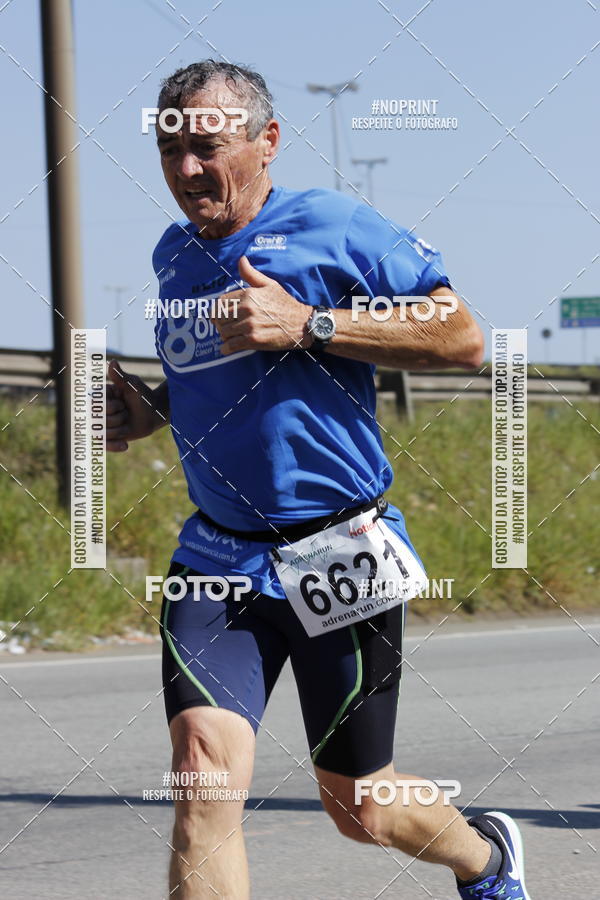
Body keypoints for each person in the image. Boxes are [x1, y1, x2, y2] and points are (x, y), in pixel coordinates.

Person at [106, 60, 531, 900]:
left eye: (206, 146)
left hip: (341, 549)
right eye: (169, 152)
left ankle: (486, 858)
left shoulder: (336, 225)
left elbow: (463, 334)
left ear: (266, 142)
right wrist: (151, 411)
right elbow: (210, 377)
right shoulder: (173, 256)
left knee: (362, 805)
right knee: (202, 777)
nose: (186, 170)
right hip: (218, 555)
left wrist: (311, 322)